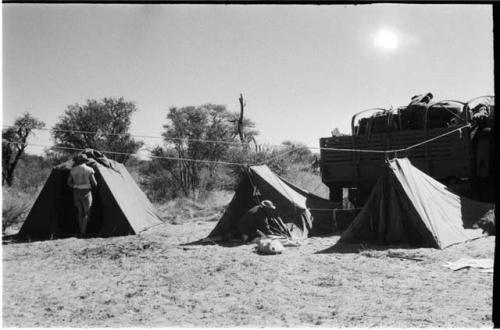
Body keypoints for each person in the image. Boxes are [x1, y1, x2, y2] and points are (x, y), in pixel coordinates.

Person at [67, 154, 98, 237]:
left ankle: (81, 231)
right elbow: (94, 183)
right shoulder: (89, 169)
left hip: (76, 192)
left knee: (80, 212)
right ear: (85, 161)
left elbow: (69, 182)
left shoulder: (73, 170)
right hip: (86, 192)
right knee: (87, 213)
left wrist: (76, 186)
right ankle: (83, 233)